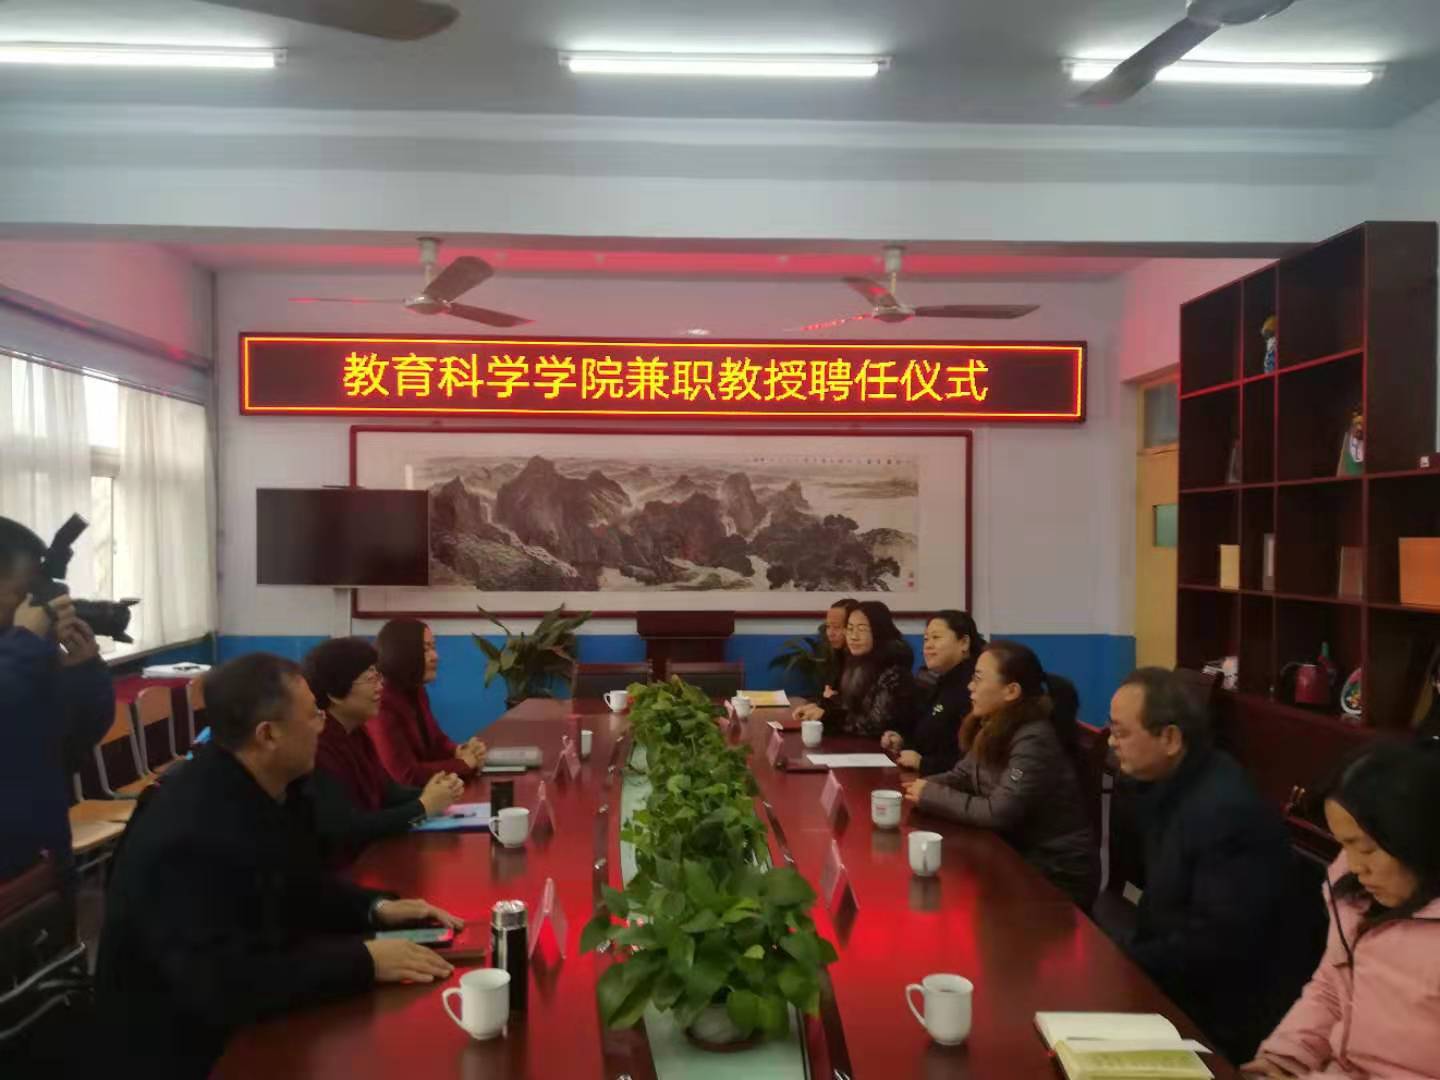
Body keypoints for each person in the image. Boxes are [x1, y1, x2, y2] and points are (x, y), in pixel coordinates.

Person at [94, 653, 462, 1076]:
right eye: (312, 716)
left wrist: (375, 908)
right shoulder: (189, 832)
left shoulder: (270, 786)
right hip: (183, 1052)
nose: (322, 726)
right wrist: (365, 961)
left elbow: (300, 883)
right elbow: (225, 981)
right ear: (267, 735)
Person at [1109, 667, 1310, 1063]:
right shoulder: (1167, 782)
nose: (1112, 742)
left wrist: (1121, 962)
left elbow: (1216, 943)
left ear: (1170, 738)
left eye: (1122, 732)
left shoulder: (1225, 811)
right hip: (1172, 973)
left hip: (1219, 1014)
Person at [1244, 739, 1440, 1080]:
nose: (1355, 866)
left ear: (1421, 838)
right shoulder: (1354, 892)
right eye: (1344, 845)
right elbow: (1332, 988)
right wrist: (1285, 1059)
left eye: (1366, 849)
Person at [903, 640, 1099, 908]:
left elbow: (999, 812)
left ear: (1011, 691)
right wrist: (918, 788)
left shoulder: (1033, 737)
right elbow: (962, 775)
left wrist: (931, 795)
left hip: (1056, 871)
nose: (970, 687)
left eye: (978, 679)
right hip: (1017, 853)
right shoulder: (994, 724)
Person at [0, 516, 113, 883]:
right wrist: (24, 643)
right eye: (23, 595)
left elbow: (75, 742)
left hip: (44, 857)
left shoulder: (23, 654)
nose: (34, 607)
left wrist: (84, 671)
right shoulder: (21, 651)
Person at [302, 637, 465, 864]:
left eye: (378, 677)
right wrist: (423, 806)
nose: (380, 687)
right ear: (334, 693)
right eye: (370, 679)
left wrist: (436, 791)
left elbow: (387, 791)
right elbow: (348, 827)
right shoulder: (319, 746)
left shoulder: (356, 732)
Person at [369, 619, 486, 785]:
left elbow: (436, 741)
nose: (435, 656)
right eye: (426, 649)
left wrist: (460, 751)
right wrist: (464, 764)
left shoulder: (416, 689)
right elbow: (406, 775)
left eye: (433, 647)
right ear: (402, 653)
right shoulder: (380, 703)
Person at [880, 609, 984, 775]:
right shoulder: (940, 680)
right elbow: (929, 734)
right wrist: (903, 742)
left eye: (936, 637)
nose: (927, 646)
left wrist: (925, 764)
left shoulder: (973, 687)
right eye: (926, 639)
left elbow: (975, 759)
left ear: (964, 643)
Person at [792, 601, 914, 737]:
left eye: (861, 629)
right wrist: (819, 707)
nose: (853, 637)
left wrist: (827, 716)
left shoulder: (894, 670)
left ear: (879, 631)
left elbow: (875, 725)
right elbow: (846, 707)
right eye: (850, 629)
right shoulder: (855, 661)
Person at [818, 597, 858, 701]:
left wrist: (833, 698)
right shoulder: (835, 652)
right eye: (828, 626)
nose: (830, 633)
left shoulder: (865, 660)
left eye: (836, 627)